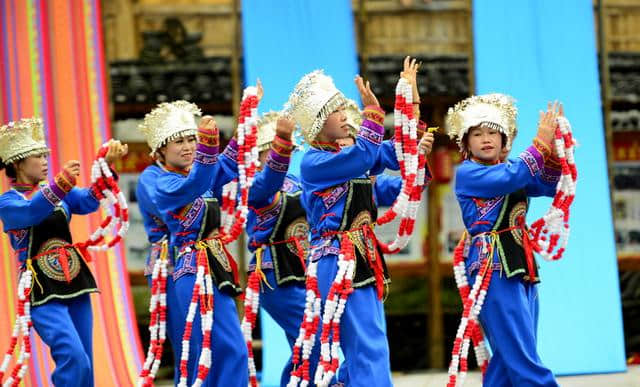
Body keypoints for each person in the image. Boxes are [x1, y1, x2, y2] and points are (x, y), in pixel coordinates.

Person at [446, 96, 564, 386]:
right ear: (466, 142)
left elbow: (550, 184)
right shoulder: (469, 174)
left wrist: (556, 150)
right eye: (477, 133)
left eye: (492, 132)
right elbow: (515, 176)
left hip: (520, 267)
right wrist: (540, 142)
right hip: (493, 270)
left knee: (507, 358)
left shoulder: (510, 168)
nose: (486, 139)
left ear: (504, 138)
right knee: (523, 359)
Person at [0, 117, 127, 386]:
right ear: (18, 163)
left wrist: (106, 164)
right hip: (41, 288)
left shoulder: (54, 191)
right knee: (73, 356)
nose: (45, 160)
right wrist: (61, 184)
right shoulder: (9, 202)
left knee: (87, 362)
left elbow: (88, 201)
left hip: (74, 280)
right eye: (38, 156)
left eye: (46, 154)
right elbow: (32, 212)